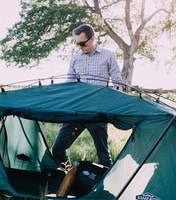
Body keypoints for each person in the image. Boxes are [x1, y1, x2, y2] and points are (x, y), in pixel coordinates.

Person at [52, 24, 123, 169]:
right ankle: (68, 175)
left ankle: (104, 182)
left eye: (82, 43)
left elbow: (117, 82)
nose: (80, 47)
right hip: (77, 111)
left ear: (92, 39)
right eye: (77, 43)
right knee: (57, 149)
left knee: (103, 156)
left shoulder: (108, 55)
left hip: (97, 112)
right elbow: (70, 84)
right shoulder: (75, 59)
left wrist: (116, 104)